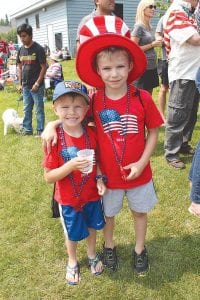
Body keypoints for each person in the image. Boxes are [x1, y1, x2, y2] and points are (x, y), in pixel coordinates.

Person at [42, 16, 164, 276]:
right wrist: (51, 124)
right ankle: (109, 247)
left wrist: (142, 162)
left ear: (130, 65)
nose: (114, 74)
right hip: (106, 177)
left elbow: (153, 132)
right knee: (109, 215)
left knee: (139, 213)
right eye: (107, 69)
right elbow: (71, 117)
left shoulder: (142, 98)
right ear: (98, 71)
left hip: (140, 174)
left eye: (120, 66)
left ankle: (140, 249)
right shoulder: (94, 100)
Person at [43, 80, 106, 285]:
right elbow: (48, 176)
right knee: (71, 232)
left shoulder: (91, 133)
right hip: (68, 199)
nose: (72, 112)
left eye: (78, 105)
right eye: (65, 107)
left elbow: (96, 161)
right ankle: (72, 260)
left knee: (92, 227)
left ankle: (91, 254)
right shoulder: (54, 139)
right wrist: (70, 166)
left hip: (91, 195)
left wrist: (98, 178)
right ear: (55, 109)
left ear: (86, 108)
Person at [163, 0, 200, 169]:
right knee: (177, 114)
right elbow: (194, 39)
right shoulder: (176, 11)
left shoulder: (190, 11)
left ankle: (184, 144)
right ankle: (171, 152)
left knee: (191, 114)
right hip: (183, 72)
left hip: (194, 72)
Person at [16, 23, 46, 136]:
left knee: (39, 109)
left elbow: (44, 67)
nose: (22, 39)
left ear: (30, 35)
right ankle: (27, 129)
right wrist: (19, 84)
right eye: (20, 36)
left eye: (24, 36)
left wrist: (38, 83)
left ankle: (40, 130)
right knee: (26, 108)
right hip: (25, 86)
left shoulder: (38, 49)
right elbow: (19, 68)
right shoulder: (20, 50)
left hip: (36, 86)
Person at [131, 0, 162, 95]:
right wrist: (153, 44)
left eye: (154, 7)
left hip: (152, 66)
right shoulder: (138, 27)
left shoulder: (149, 26)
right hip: (142, 67)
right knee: (140, 96)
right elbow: (133, 48)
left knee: (148, 96)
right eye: (150, 7)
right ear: (142, 9)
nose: (153, 9)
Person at [155, 15, 169, 123]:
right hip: (167, 60)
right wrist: (162, 40)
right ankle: (161, 115)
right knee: (164, 88)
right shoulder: (165, 17)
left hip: (181, 61)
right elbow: (158, 34)